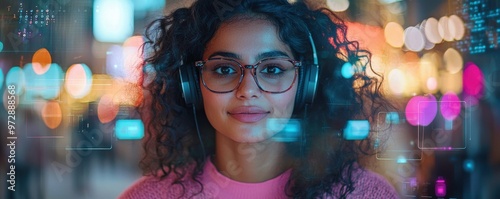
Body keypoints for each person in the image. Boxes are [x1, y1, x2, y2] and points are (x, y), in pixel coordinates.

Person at [120, 0, 399, 198]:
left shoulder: (366, 194)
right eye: (224, 69)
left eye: (273, 69)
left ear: (306, 85)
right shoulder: (146, 196)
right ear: (192, 85)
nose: (248, 90)